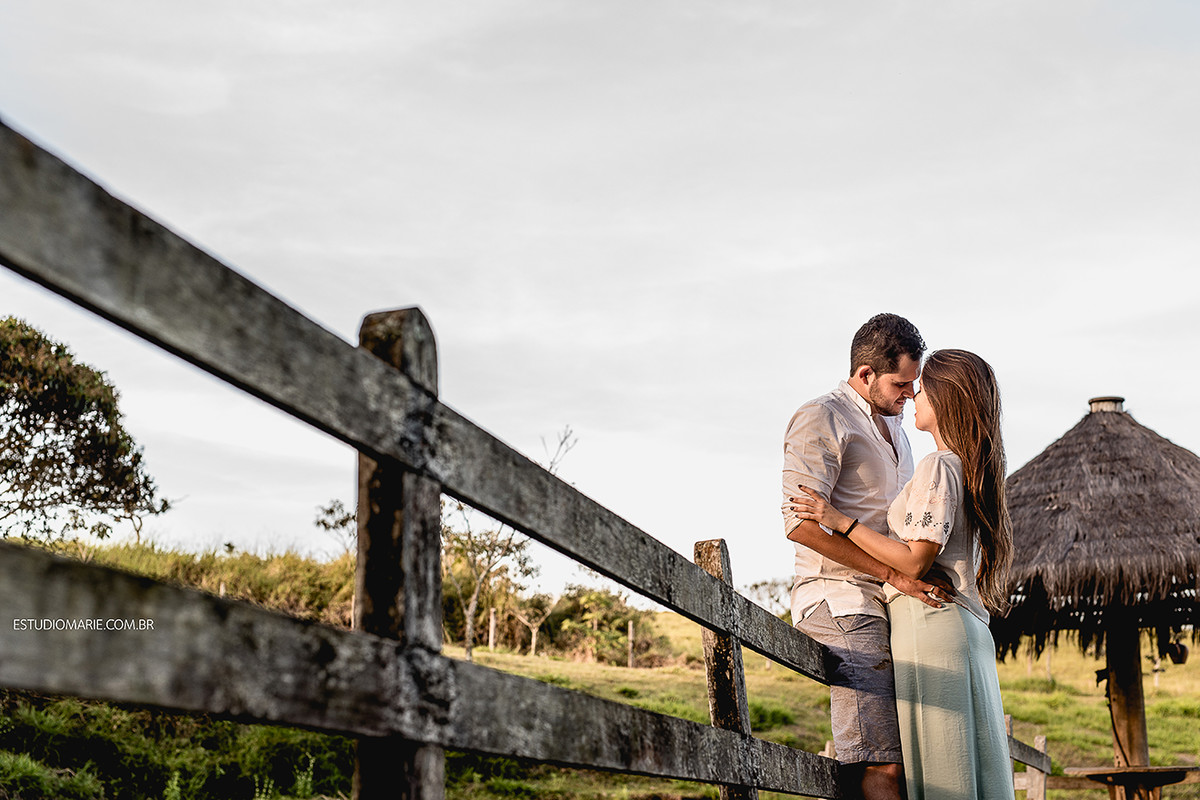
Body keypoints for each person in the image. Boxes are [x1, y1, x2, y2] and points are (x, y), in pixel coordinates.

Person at [791, 349, 1015, 800]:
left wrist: (839, 519)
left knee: (941, 772)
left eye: (923, 387)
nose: (914, 395)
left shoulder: (938, 464)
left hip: (931, 624)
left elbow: (914, 561)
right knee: (970, 767)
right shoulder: (969, 467)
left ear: (946, 399)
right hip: (965, 625)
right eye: (906, 385)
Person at [782, 313, 947, 800]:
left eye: (914, 385)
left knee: (904, 759)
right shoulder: (822, 417)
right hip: (840, 600)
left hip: (887, 601)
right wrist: (891, 574)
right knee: (882, 763)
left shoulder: (897, 429)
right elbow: (800, 525)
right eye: (902, 383)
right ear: (866, 374)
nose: (910, 395)